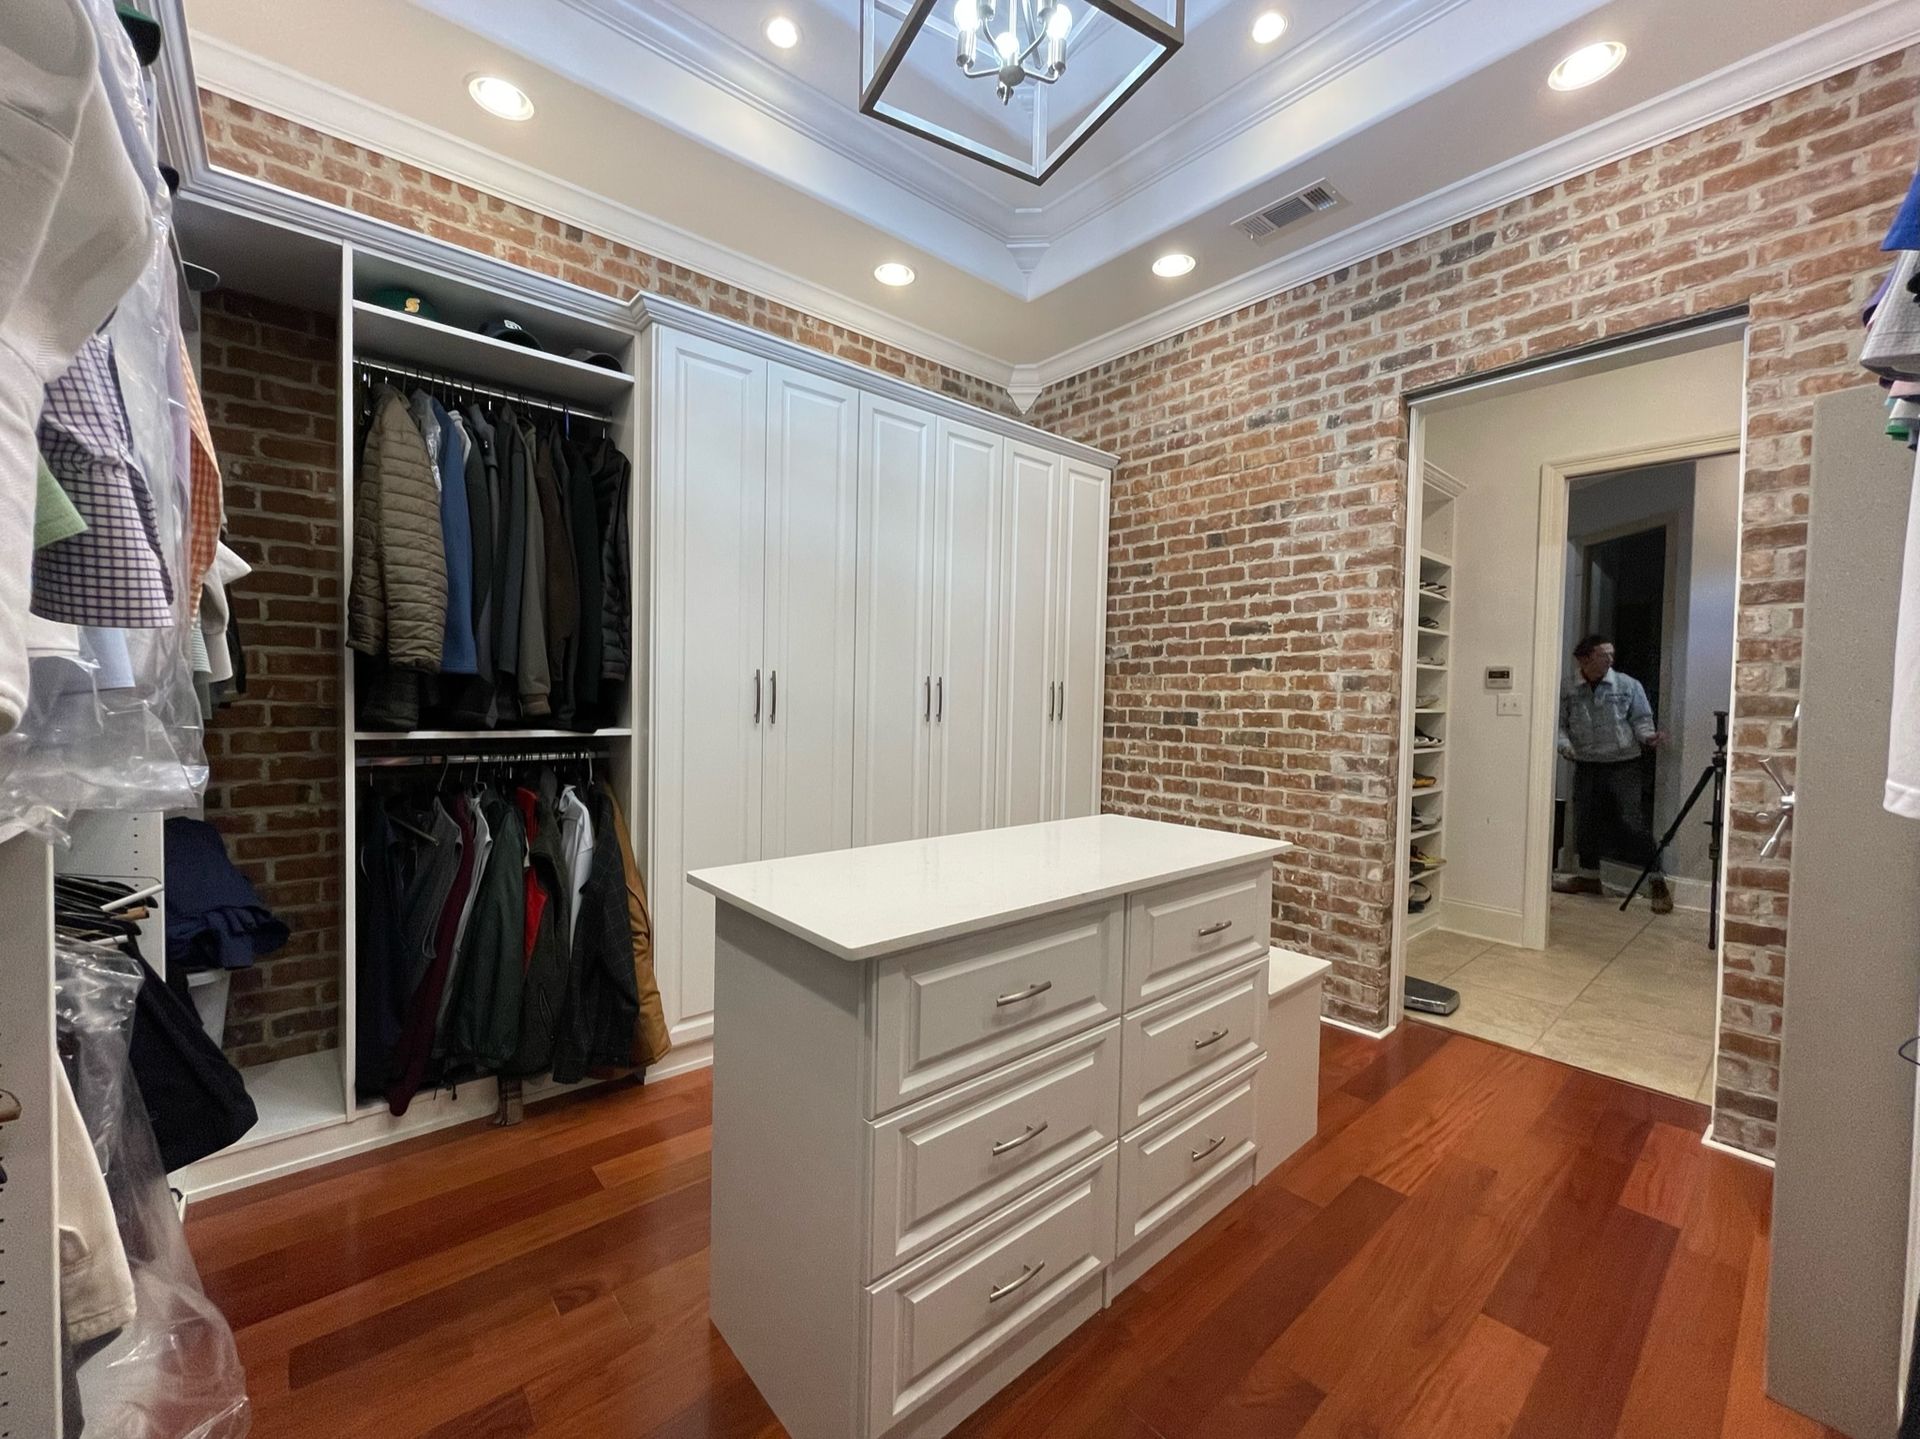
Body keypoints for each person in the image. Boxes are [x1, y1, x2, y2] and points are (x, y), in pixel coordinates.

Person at [1555, 634, 1672, 914]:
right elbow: (1557, 723)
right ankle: (1588, 878)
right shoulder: (1568, 687)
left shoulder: (1628, 686)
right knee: (1585, 820)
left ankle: (1657, 881)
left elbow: (1642, 720)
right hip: (1586, 763)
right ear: (1584, 659)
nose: (1610, 659)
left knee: (1632, 821)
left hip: (1623, 763)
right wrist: (1564, 745)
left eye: (1611, 654)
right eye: (1603, 655)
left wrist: (1648, 738)